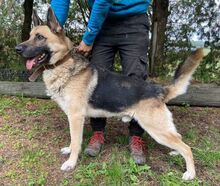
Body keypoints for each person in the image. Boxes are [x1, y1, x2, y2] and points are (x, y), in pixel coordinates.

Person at [51, 0, 151, 165]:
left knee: (136, 80)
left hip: (134, 19)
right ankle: (97, 132)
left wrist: (88, 38)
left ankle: (136, 136)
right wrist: (52, 30)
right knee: (94, 82)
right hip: (101, 21)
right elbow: (60, 2)